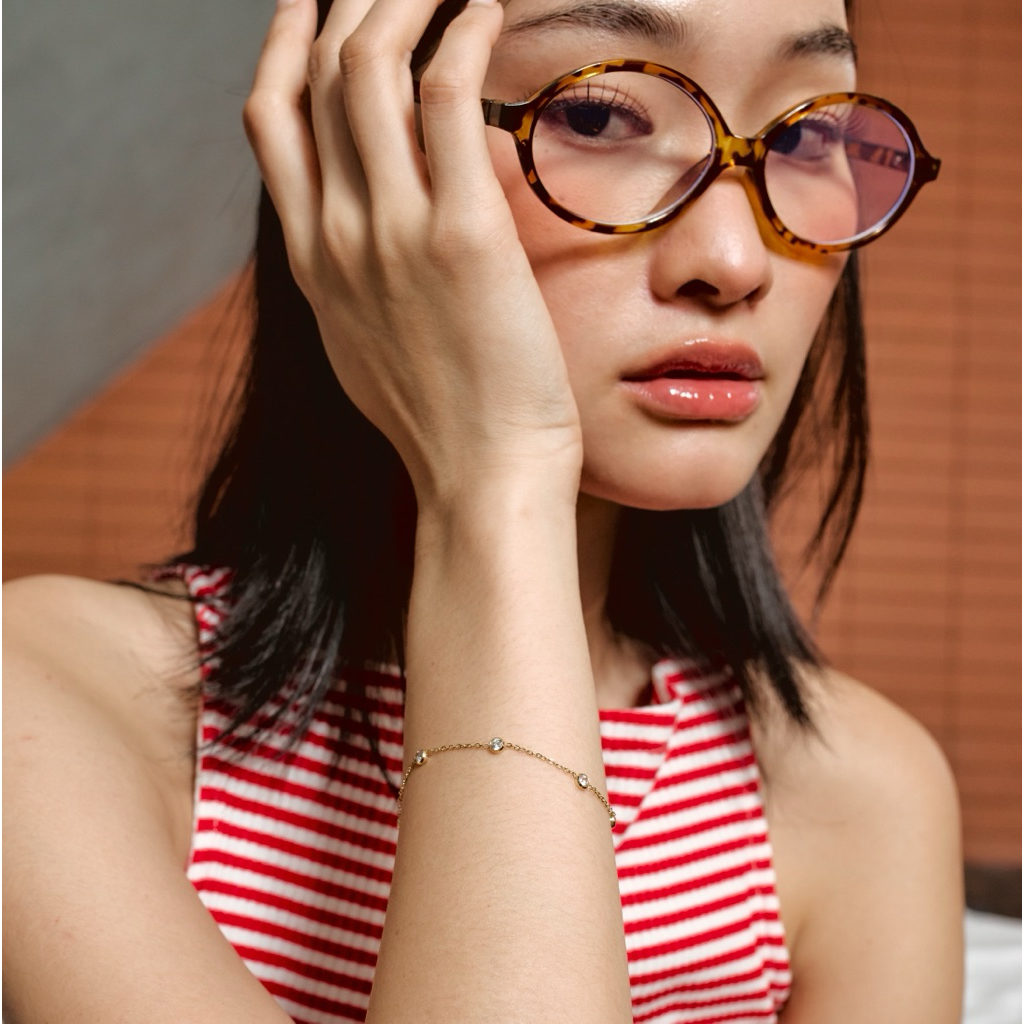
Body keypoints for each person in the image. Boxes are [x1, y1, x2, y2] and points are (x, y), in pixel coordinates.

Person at [3, 0, 965, 1020]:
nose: (734, 260)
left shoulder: (861, 792)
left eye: (809, 136)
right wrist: (497, 484)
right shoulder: (52, 701)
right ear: (351, 147)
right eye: (596, 116)